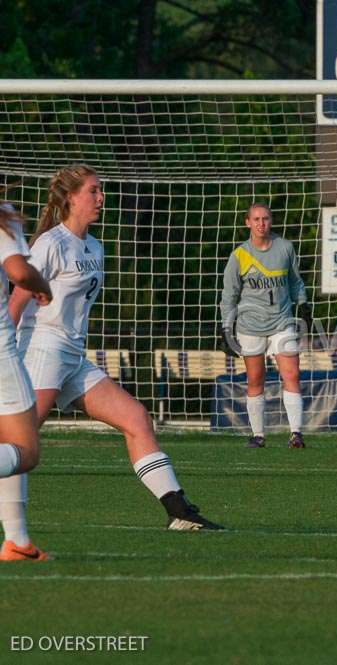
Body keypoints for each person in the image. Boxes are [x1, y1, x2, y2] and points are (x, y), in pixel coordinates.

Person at [8, 164, 222, 531]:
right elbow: (17, 300)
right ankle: (15, 533)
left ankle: (179, 512)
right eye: (92, 190)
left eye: (100, 190)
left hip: (72, 355)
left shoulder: (94, 246)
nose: (100, 198)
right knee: (20, 443)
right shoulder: (51, 243)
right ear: (70, 199)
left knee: (137, 419)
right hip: (43, 349)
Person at [220, 203, 310, 449]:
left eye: (266, 219)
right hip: (250, 326)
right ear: (247, 222)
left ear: (271, 221)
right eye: (256, 219)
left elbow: (295, 281)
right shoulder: (239, 255)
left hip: (282, 321)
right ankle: (258, 435)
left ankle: (296, 433)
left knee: (291, 374)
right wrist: (226, 328)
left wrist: (303, 305)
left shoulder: (285, 248)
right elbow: (229, 294)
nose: (261, 224)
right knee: (255, 380)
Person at [0, 202, 52, 560]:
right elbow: (19, 272)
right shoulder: (2, 214)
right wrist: (42, 284)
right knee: (26, 450)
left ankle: (18, 541)